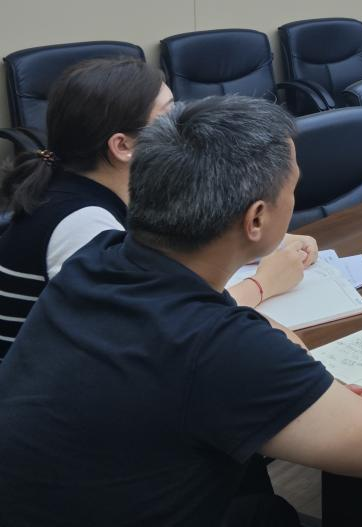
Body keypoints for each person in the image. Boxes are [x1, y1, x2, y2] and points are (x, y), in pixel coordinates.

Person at [0, 95, 362, 526]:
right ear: (256, 218)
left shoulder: (100, 257)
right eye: (292, 189)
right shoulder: (214, 345)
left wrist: (293, 365)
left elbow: (210, 326)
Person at [0, 57, 315, 363]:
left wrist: (266, 240)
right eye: (168, 113)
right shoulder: (84, 223)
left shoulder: (106, 188)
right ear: (122, 146)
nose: (183, 123)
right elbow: (156, 331)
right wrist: (262, 284)